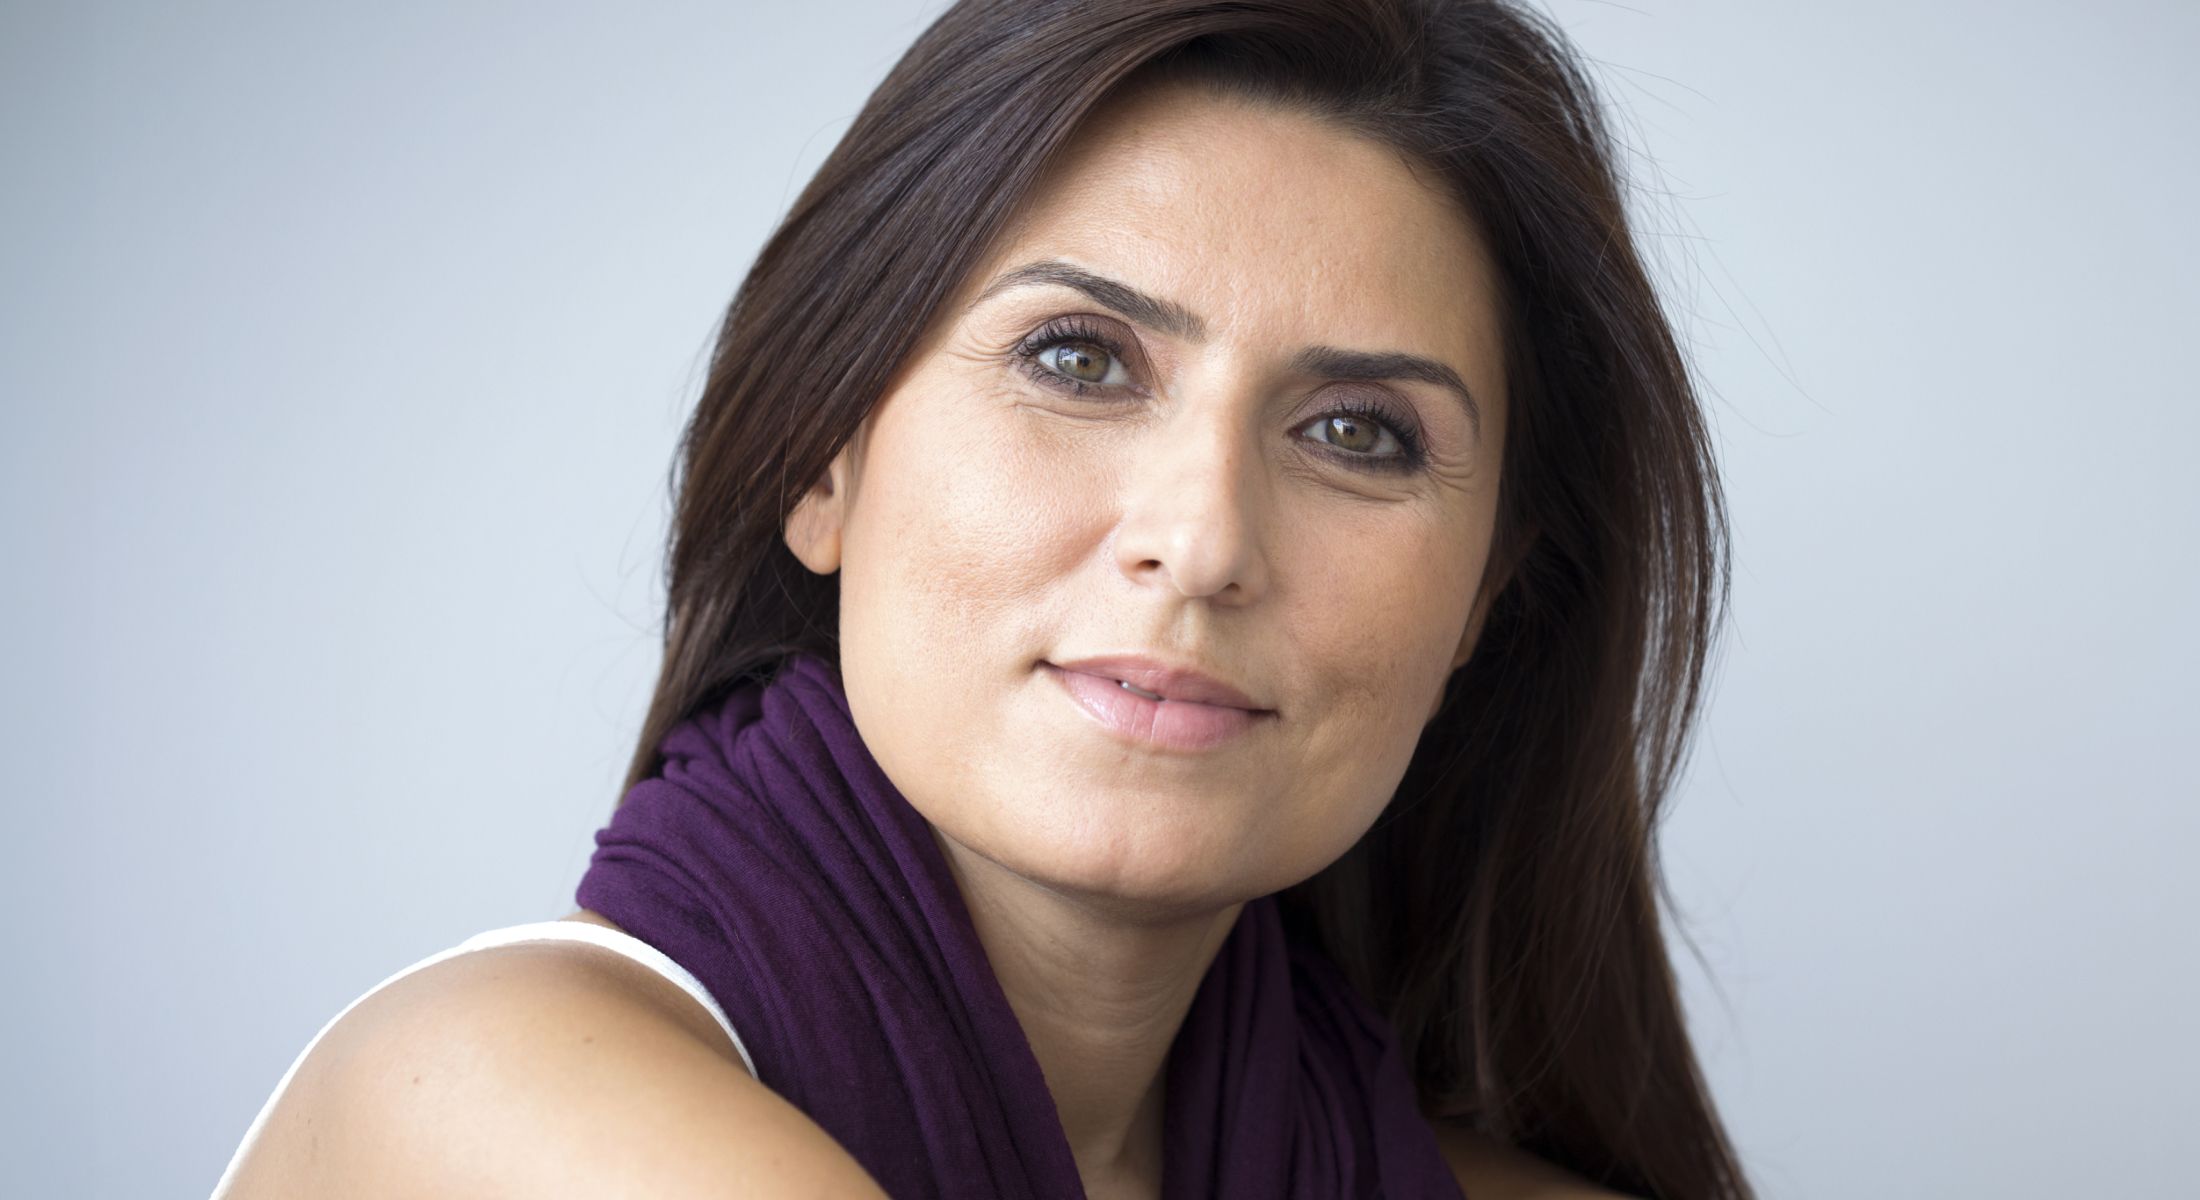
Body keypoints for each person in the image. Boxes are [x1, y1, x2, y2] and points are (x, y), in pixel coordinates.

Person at [212, 1, 1751, 1196]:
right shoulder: (492, 1101)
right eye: (1078, 360)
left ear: (1485, 598)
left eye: (1358, 434)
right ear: (824, 457)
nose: (1202, 540)